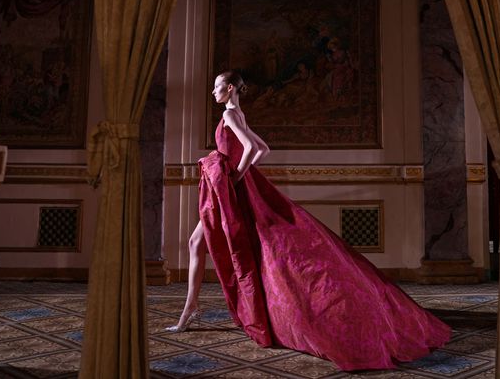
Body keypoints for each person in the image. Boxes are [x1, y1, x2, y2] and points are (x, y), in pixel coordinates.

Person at [166, 70, 451, 371]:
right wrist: (236, 177)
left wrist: (235, 179)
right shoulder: (239, 113)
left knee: (229, 245)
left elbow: (251, 150)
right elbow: (263, 149)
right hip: (228, 188)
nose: (213, 92)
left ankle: (190, 310)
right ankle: (191, 308)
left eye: (217, 87)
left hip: (231, 189)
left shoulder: (231, 114)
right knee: (198, 241)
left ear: (231, 87)